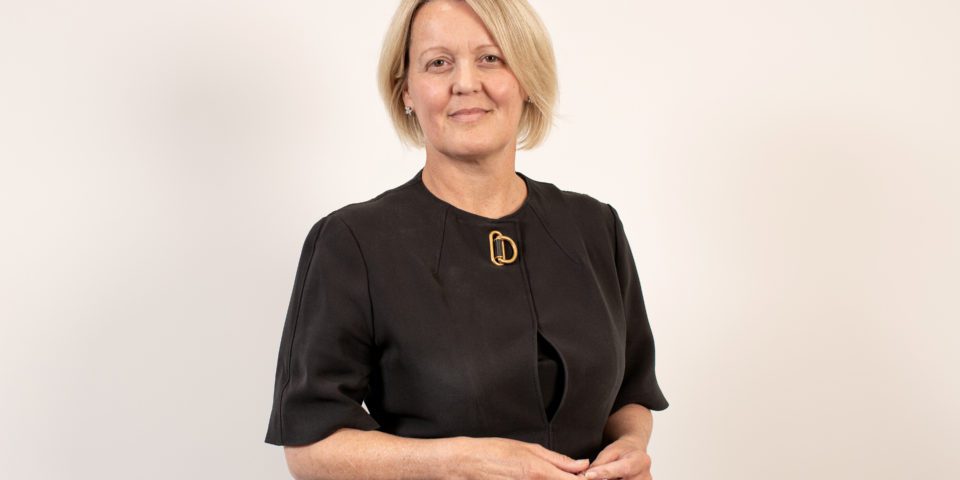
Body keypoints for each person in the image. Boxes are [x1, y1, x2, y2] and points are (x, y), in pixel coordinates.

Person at [263, 0, 669, 478]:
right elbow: (309, 446)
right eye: (438, 63)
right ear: (406, 90)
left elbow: (631, 393)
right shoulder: (352, 242)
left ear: (526, 79)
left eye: (490, 58)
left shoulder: (594, 226)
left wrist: (630, 445)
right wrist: (457, 462)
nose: (466, 82)